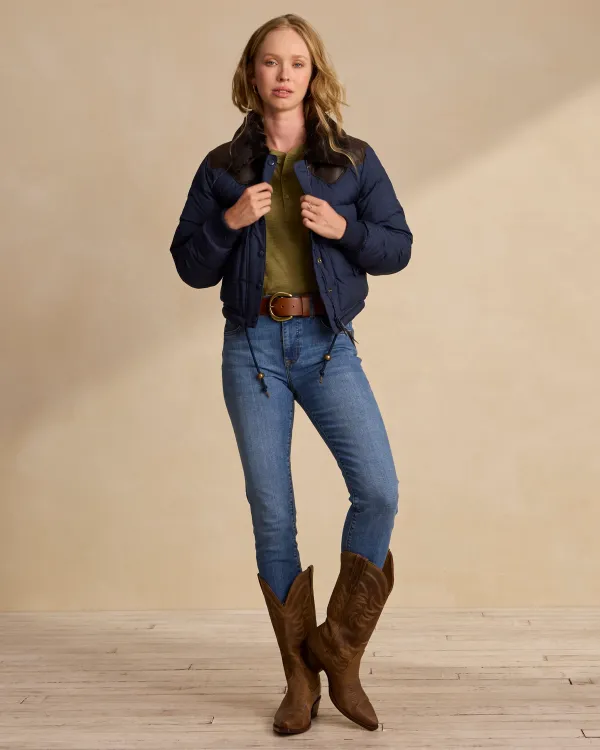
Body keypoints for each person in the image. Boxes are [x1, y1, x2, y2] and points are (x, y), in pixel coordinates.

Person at [169, 13, 413, 736]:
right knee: (273, 512)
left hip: (326, 345)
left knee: (378, 488)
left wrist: (346, 230)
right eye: (271, 62)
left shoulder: (352, 159)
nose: (283, 74)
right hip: (251, 349)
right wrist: (229, 223)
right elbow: (188, 264)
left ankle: (338, 648)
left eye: (297, 63)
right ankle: (299, 681)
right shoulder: (223, 166)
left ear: (313, 74)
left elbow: (398, 246)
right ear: (252, 73)